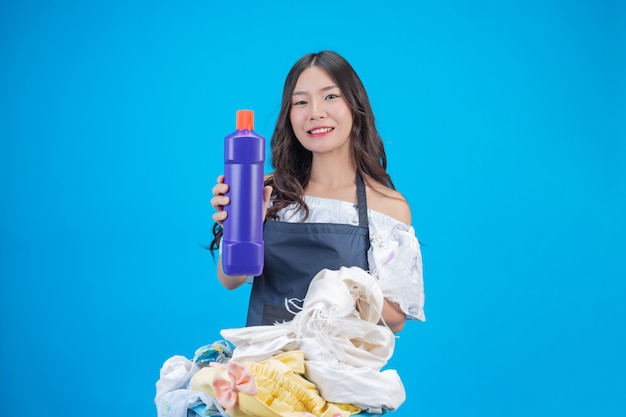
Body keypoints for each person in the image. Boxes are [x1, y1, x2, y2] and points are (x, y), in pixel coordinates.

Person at [209, 50, 424, 334]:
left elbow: (395, 321)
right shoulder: (265, 190)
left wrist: (349, 290)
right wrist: (246, 229)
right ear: (289, 115)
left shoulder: (386, 206)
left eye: (330, 96)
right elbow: (231, 279)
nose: (315, 112)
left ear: (354, 105)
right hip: (267, 367)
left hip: (341, 371)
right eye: (301, 102)